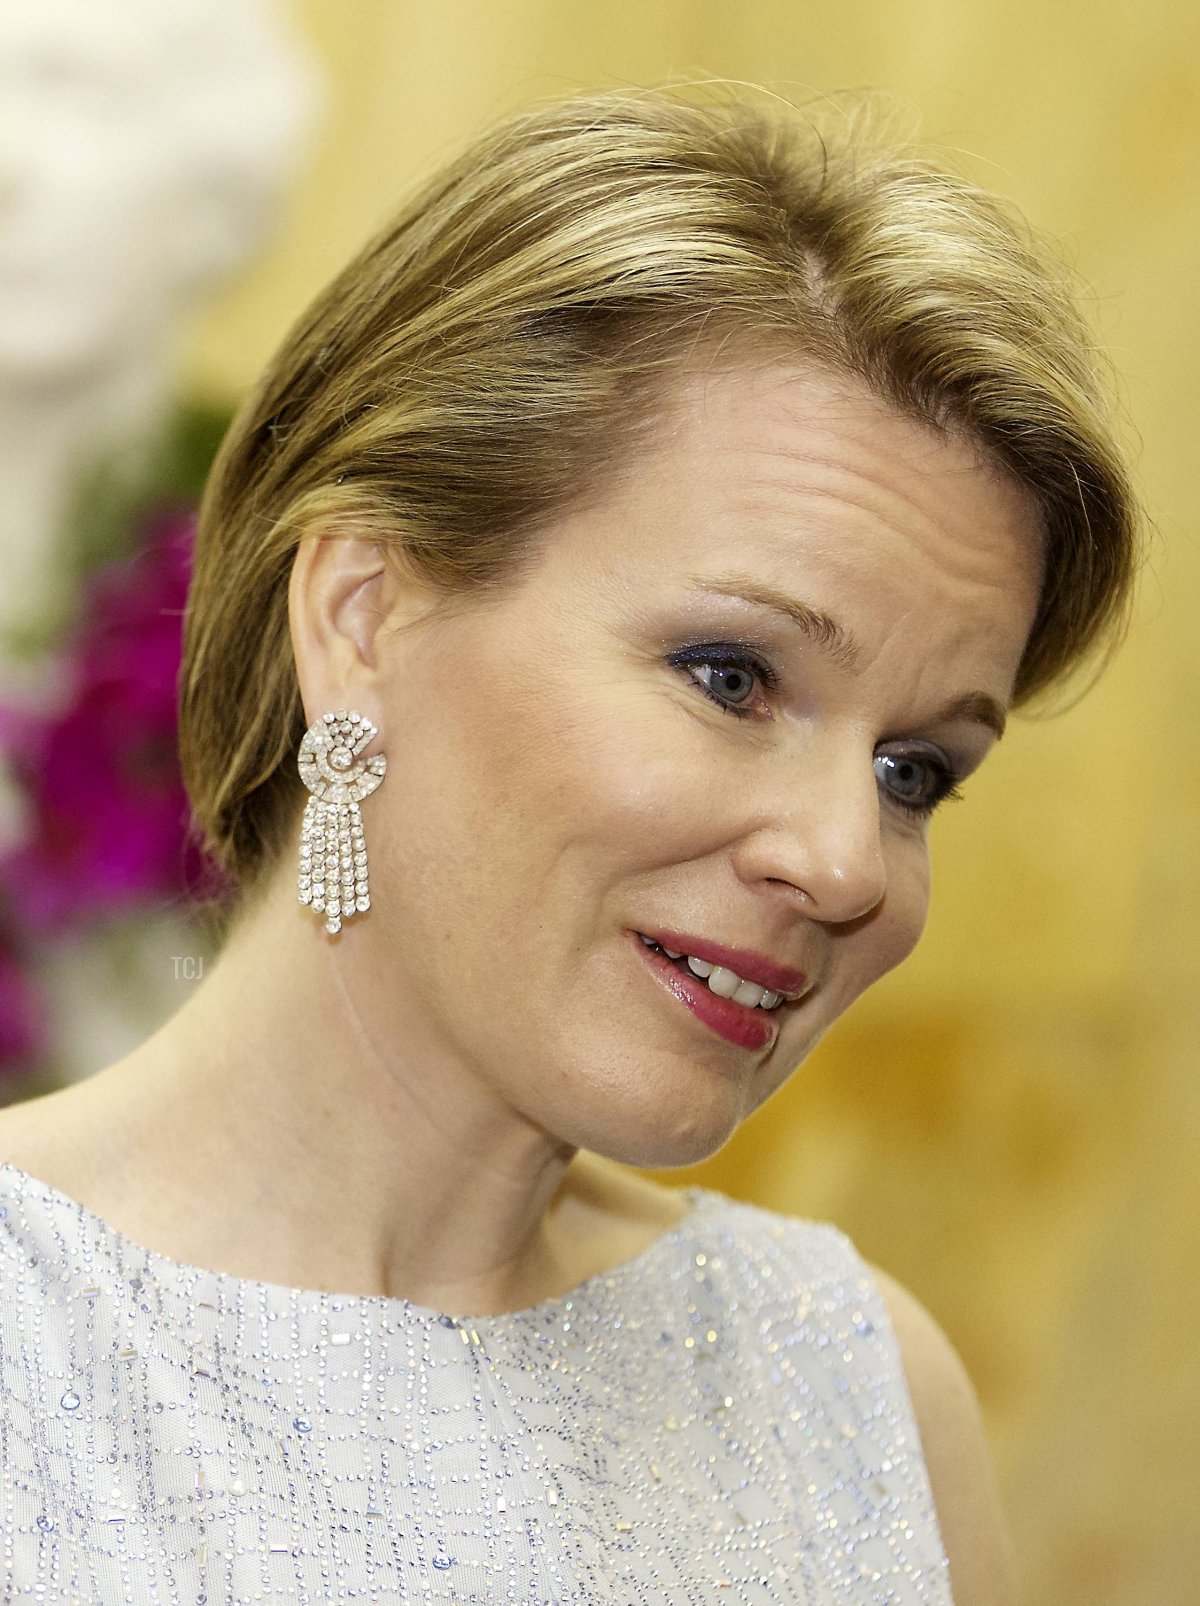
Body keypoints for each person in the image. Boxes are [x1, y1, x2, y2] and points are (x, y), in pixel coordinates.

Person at [0, 84, 1138, 1604]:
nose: (849, 860)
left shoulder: (857, 1394)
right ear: (361, 616)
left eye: (916, 768)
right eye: (732, 676)